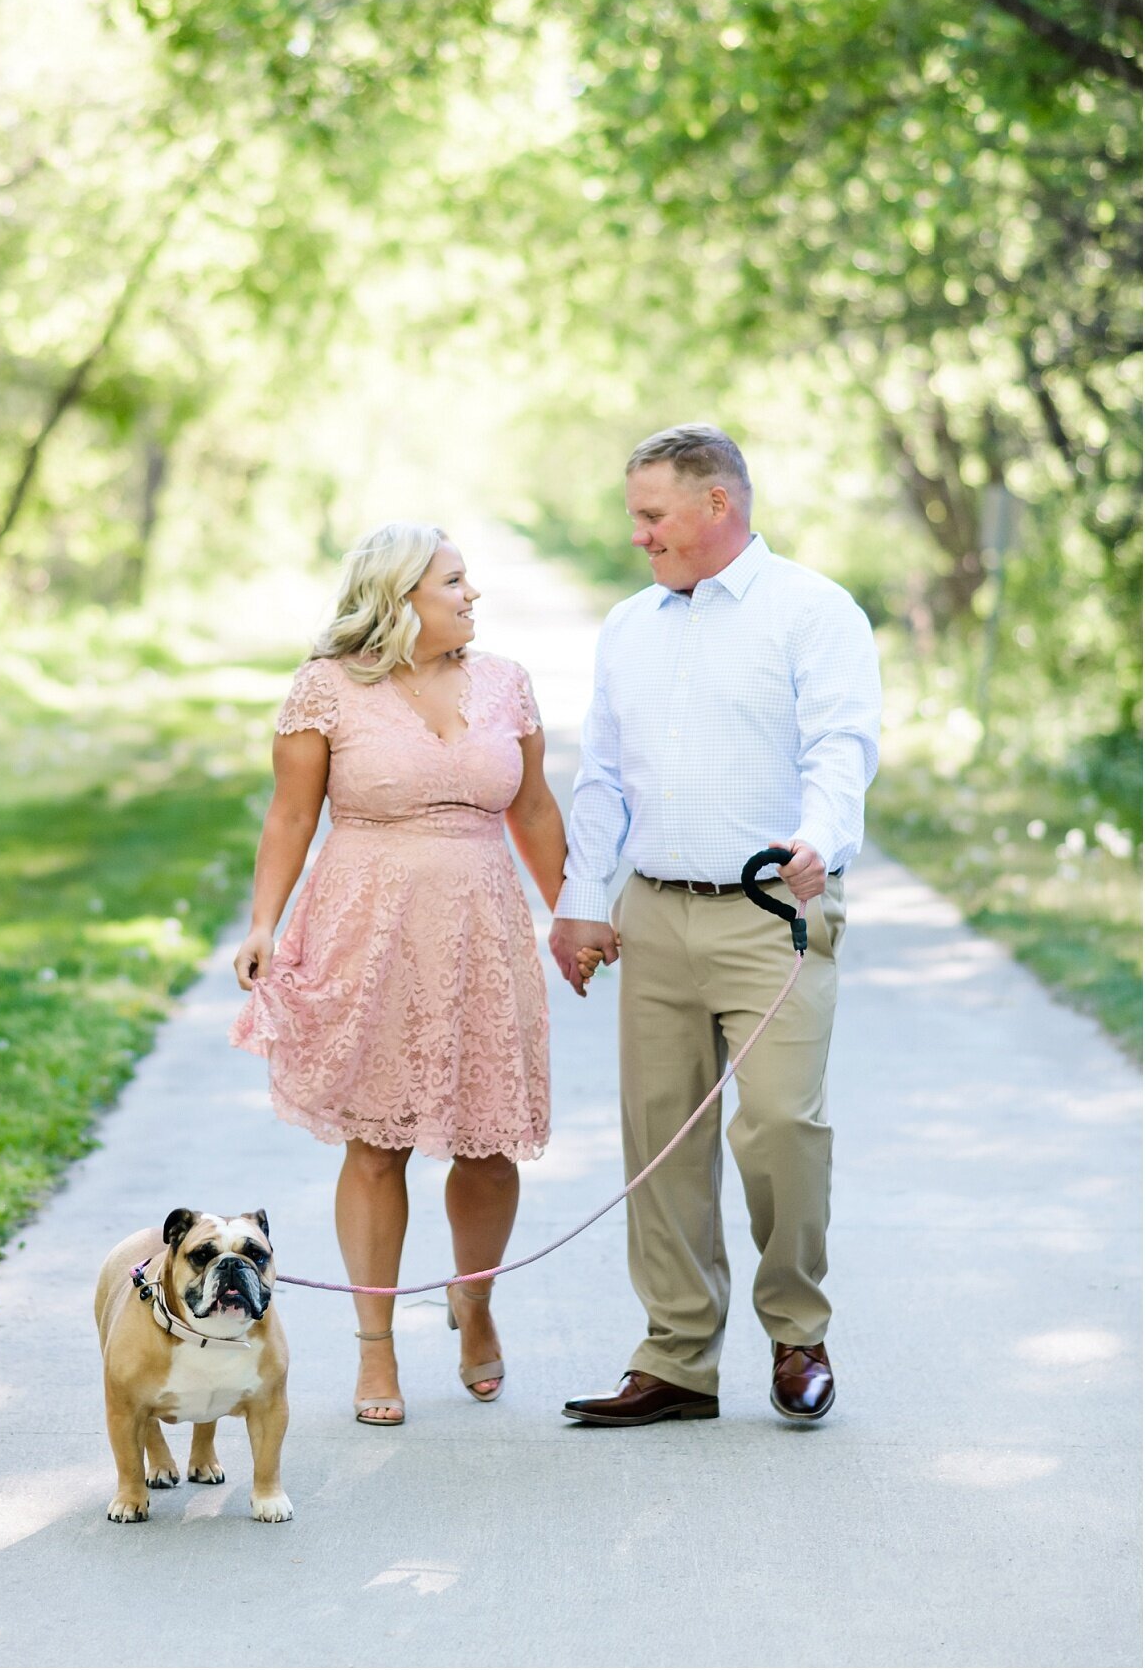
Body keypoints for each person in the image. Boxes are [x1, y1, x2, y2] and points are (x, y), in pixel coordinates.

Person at [550, 425, 880, 1426]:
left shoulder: (812, 612)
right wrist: (578, 895)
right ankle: (677, 1358)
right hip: (653, 911)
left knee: (780, 1122)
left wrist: (819, 836)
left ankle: (796, 1331)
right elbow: (600, 775)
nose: (638, 536)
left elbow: (841, 743)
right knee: (659, 1138)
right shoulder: (627, 625)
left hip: (770, 911)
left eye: (651, 516)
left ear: (715, 507)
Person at [231, 523, 566, 1425]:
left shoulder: (505, 682)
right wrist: (264, 922)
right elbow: (290, 817)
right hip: (367, 935)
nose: (472, 595)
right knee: (375, 1146)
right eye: (455, 581)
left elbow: (533, 808)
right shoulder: (326, 687)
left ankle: (475, 1300)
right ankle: (375, 1350)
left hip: (483, 934)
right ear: (400, 597)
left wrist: (573, 911)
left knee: (490, 1145)